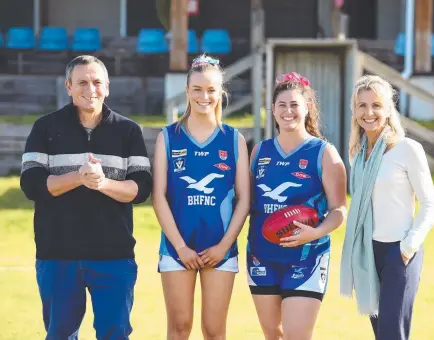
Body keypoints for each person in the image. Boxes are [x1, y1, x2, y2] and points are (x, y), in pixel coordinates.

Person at [20, 55, 152, 339]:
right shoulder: (45, 127)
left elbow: (141, 189)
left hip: (114, 255)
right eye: (81, 82)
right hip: (57, 255)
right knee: (60, 335)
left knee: (115, 334)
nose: (90, 89)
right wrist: (78, 178)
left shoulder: (128, 130)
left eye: (96, 82)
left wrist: (102, 182)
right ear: (68, 86)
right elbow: (32, 184)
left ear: (107, 86)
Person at [152, 54, 250, 340]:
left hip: (220, 248)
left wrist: (223, 246)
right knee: (179, 328)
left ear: (221, 93)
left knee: (214, 330)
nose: (204, 96)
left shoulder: (234, 139)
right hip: (176, 248)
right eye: (197, 89)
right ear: (187, 91)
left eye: (211, 90)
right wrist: (180, 247)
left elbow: (244, 199)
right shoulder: (168, 137)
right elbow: (158, 196)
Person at [247, 72, 348, 339]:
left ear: (307, 108)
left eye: (294, 104)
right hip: (261, 254)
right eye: (282, 105)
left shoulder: (324, 152)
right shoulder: (259, 151)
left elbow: (339, 209)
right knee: (273, 335)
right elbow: (246, 202)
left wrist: (315, 232)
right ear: (272, 110)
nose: (288, 111)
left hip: (307, 257)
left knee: (296, 335)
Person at [340, 75, 434, 340]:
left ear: (388, 109)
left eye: (376, 105)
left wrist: (407, 248)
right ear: (354, 110)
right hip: (369, 253)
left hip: (400, 253)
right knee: (380, 332)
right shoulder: (357, 154)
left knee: (392, 334)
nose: (369, 113)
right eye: (362, 105)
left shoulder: (407, 149)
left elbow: (429, 205)